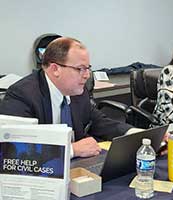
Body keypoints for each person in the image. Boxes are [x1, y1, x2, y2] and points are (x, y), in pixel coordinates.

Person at [0, 37, 133, 158]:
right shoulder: (22, 95)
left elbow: (99, 122)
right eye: (80, 69)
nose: (86, 75)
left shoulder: (77, 91)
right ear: (55, 69)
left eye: (88, 68)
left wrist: (134, 133)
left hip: (78, 169)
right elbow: (16, 150)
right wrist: (71, 150)